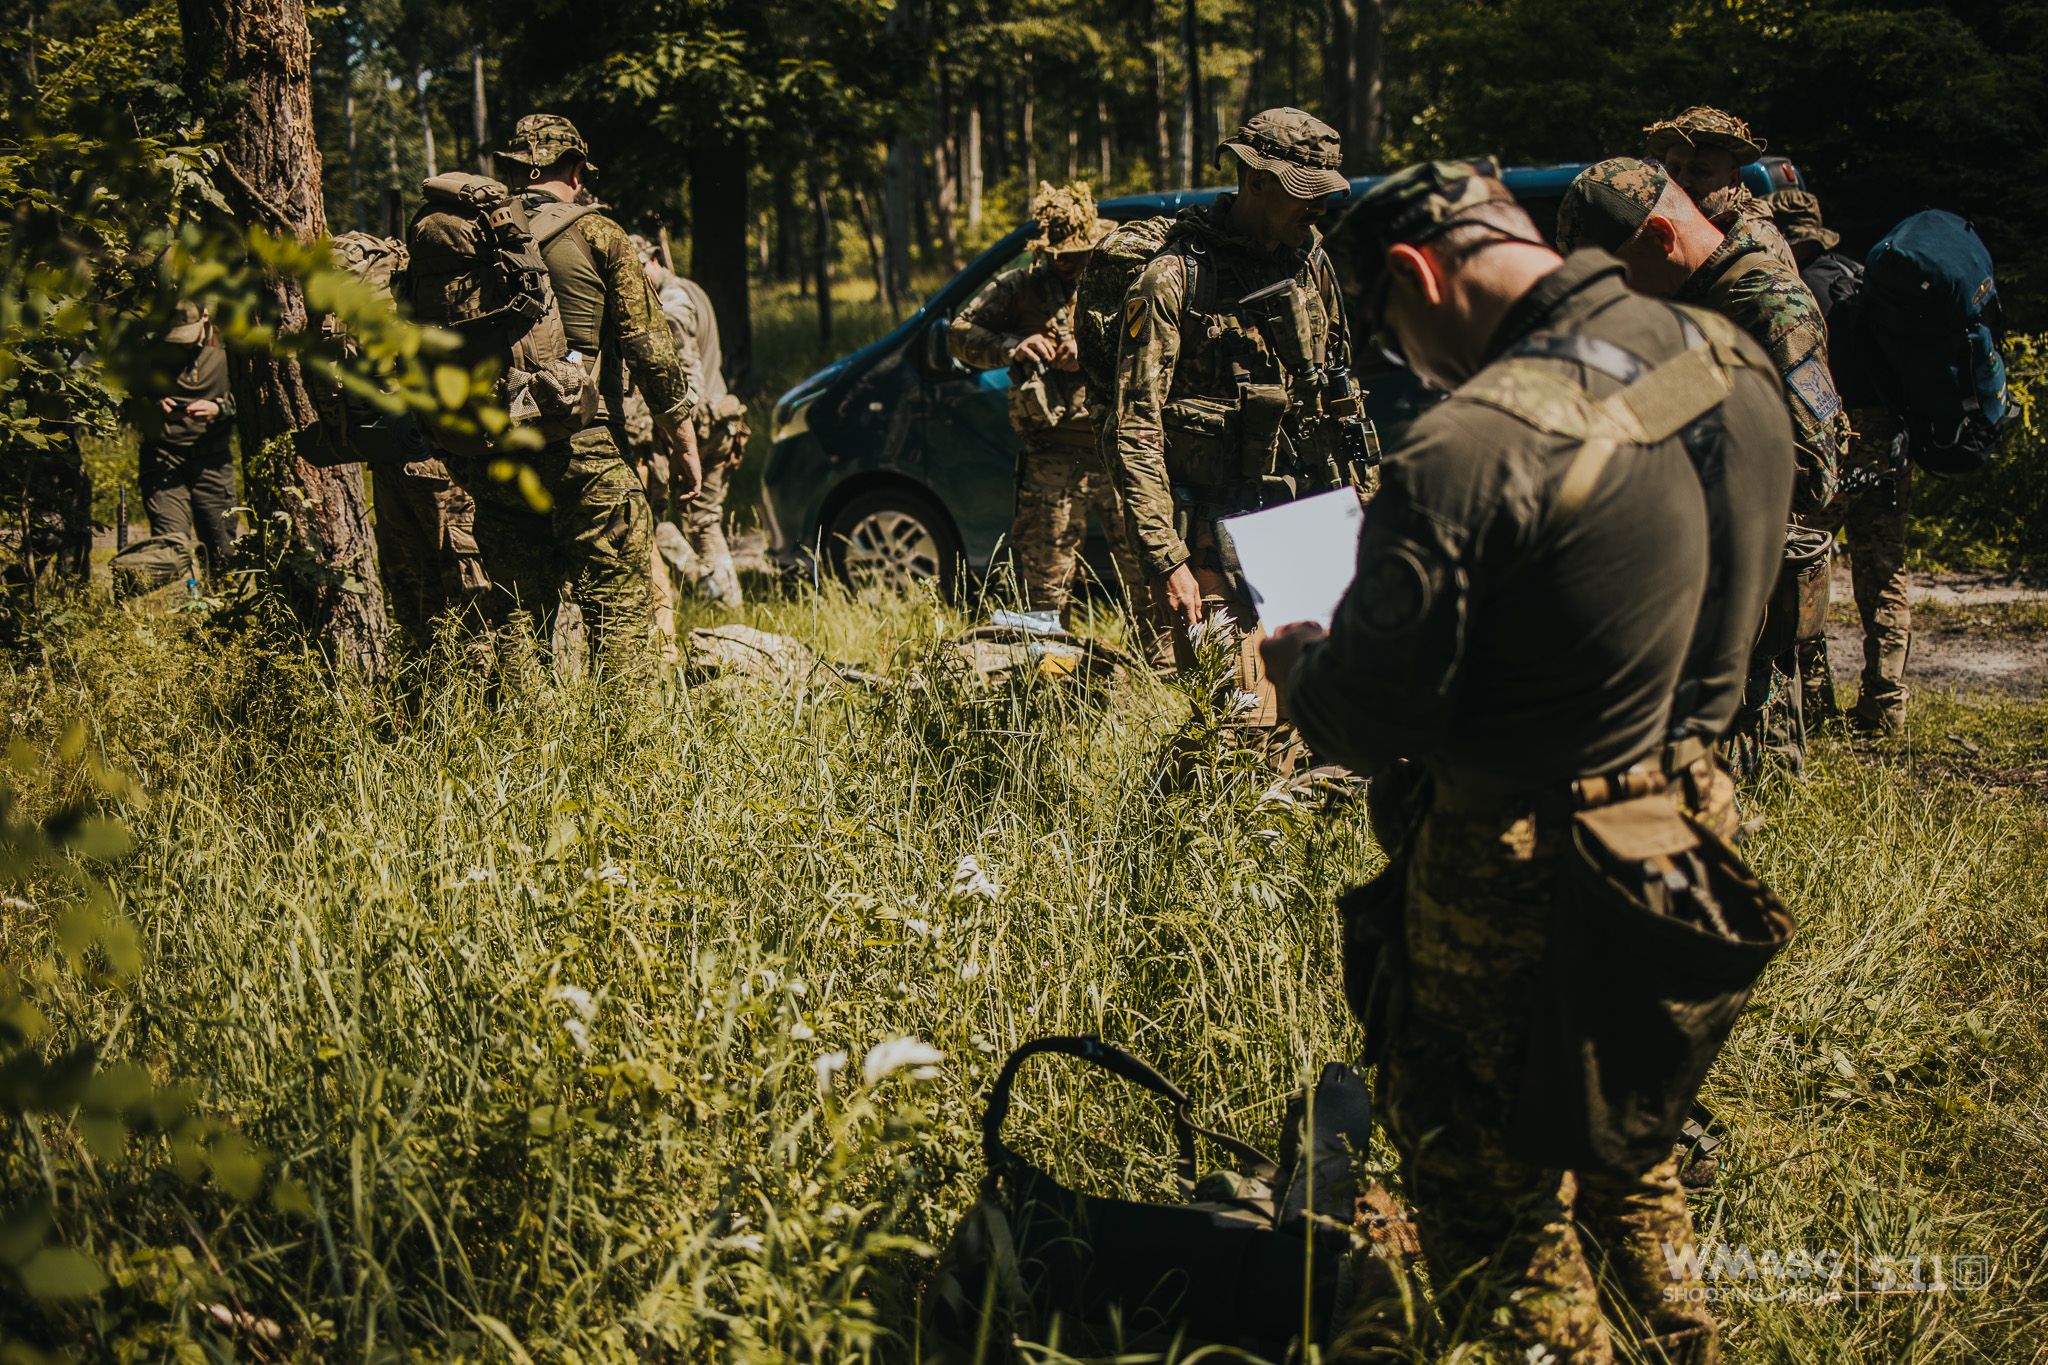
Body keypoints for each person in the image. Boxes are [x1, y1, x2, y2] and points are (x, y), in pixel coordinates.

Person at [1267, 159, 1795, 1364]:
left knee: (1491, 1208)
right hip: (1690, 826)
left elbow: (1363, 719)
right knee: (1623, 1126)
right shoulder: (1733, 360)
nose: (1415, 368)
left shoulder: (1463, 446)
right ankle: (1677, 1337)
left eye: (1398, 337)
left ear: (1412, 274)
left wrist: (1294, 663)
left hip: (1518, 859)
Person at [1556, 157, 1849, 779]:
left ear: (1663, 238)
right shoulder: (1687, 300)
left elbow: (1814, 470)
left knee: (1748, 797)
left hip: (1742, 611)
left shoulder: (1767, 306)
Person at [1107, 108, 1354, 723]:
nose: (1316, 209)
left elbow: (1339, 390)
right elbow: (1133, 426)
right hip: (1213, 540)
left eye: (1324, 196)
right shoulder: (1174, 279)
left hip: (1308, 521)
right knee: (1240, 731)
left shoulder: (1311, 265)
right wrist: (1167, 560)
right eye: (1304, 194)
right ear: (1255, 181)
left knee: (1331, 723)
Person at [478, 114, 700, 680]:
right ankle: (626, 753)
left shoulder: (478, 235)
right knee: (621, 616)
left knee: (517, 623)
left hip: (496, 450)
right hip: (585, 449)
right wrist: (684, 446)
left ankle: (521, 745)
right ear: (575, 168)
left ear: (513, 169)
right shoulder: (599, 233)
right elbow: (651, 350)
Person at [950, 181, 1143, 622]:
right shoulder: (1021, 287)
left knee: (1150, 585)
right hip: (1053, 458)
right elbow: (958, 334)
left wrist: (1091, 349)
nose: (1066, 262)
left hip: (1123, 453)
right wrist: (1012, 346)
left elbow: (1159, 346)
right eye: (1058, 254)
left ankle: (1162, 683)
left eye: (1076, 252)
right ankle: (1049, 680)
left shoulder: (1123, 280)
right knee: (1043, 594)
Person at [1771, 188, 1912, 733]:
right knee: (1884, 572)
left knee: (1805, 569)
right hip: (1889, 446)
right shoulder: (1865, 279)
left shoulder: (1794, 291)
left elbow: (1807, 382)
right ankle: (1887, 704)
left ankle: (1817, 703)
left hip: (1831, 445)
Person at [644, 248, 750, 611]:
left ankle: (710, 592)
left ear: (654, 260)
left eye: (639, 266)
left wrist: (680, 428)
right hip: (721, 421)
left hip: (697, 426)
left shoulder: (671, 301)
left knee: (652, 515)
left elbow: (686, 372)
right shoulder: (693, 289)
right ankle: (727, 606)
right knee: (705, 521)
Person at [136, 301, 237, 565]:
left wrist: (219, 408)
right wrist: (157, 406)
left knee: (223, 549)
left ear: (205, 317)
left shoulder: (229, 345)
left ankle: (223, 601)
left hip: (213, 459)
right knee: (171, 546)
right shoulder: (151, 348)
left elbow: (255, 399)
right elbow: (127, 396)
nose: (183, 343)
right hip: (164, 458)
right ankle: (182, 602)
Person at [1643, 105, 1798, 269]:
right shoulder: (1664, 228)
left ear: (1732, 180)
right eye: (1674, 170)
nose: (1681, 182)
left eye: (1699, 171)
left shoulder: (1754, 243)